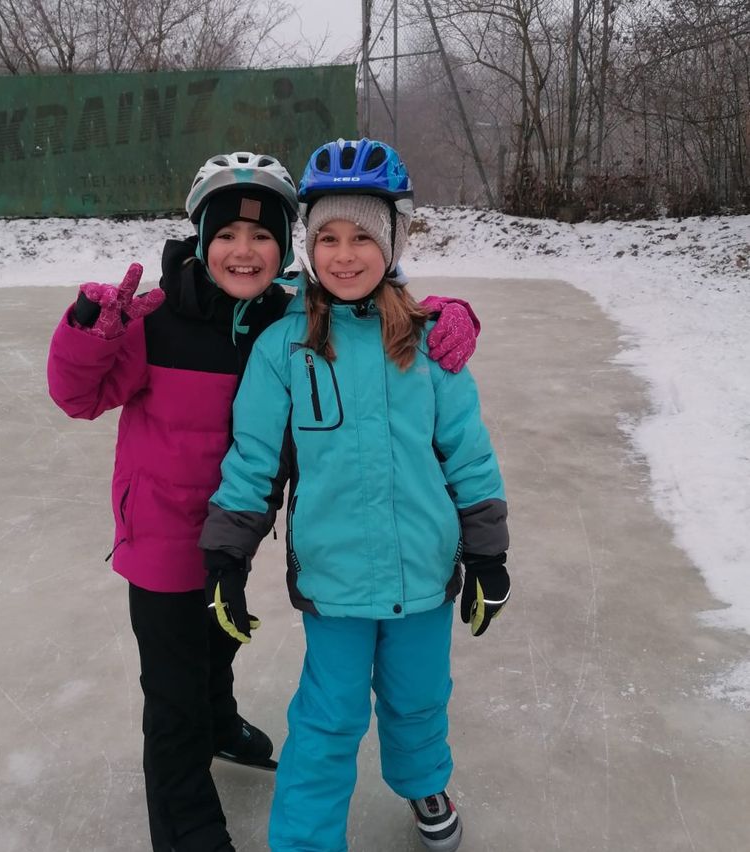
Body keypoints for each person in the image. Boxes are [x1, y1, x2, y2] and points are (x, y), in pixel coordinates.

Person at [46, 149, 482, 852]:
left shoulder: (290, 317)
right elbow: (77, 395)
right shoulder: (157, 321)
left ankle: (222, 722)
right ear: (200, 240)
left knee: (214, 656)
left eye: (263, 236)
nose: (243, 251)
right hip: (165, 536)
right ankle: (190, 827)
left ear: (285, 248)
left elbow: (373, 314)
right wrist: (88, 331)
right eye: (226, 235)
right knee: (175, 695)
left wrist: (449, 313)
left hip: (236, 533)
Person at [199, 138, 511, 852]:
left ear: (394, 241)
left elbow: (468, 455)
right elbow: (252, 464)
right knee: (328, 718)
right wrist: (226, 560)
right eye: (327, 237)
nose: (344, 255)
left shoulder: (433, 346)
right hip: (335, 582)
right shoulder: (284, 348)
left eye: (363, 236)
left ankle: (424, 780)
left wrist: (488, 556)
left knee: (419, 700)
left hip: (426, 576)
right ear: (308, 247)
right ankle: (306, 840)